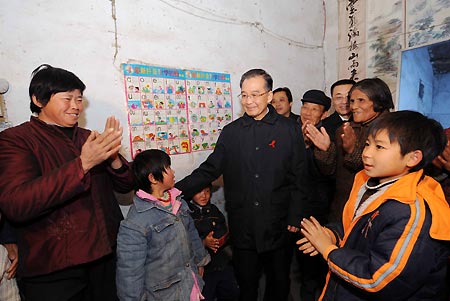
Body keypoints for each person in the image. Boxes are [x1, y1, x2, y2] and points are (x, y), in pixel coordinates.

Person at [0, 64, 134, 300]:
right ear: (38, 100)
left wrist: (113, 158)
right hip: (54, 266)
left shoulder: (88, 137)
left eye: (79, 99)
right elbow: (17, 204)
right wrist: (83, 164)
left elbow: (126, 186)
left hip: (104, 256)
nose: (76, 106)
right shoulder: (15, 140)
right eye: (67, 98)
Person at [176, 69, 308, 301]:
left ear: (269, 96)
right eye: (244, 95)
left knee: (278, 283)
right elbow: (210, 169)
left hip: (277, 223)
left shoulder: (289, 130)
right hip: (243, 223)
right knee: (245, 282)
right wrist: (175, 191)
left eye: (256, 94)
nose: (249, 101)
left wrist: (295, 218)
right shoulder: (231, 133)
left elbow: (299, 176)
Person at [298, 110, 450, 300]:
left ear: (412, 158)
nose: (366, 153)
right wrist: (332, 235)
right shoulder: (370, 182)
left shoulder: (412, 211)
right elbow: (357, 226)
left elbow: (379, 279)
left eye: (379, 147)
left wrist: (329, 250)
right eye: (368, 144)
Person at [116, 149, 210, 301]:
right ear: (153, 178)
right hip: (164, 295)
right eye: (168, 168)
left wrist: (200, 260)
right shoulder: (136, 223)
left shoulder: (178, 201)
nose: (173, 172)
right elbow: (130, 272)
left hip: (189, 285)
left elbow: (191, 233)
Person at [305, 78, 394, 223]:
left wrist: (353, 150)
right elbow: (330, 172)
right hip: (342, 207)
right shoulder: (346, 128)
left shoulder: (392, 130)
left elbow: (380, 172)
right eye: (352, 101)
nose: (353, 106)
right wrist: (325, 150)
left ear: (378, 101)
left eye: (361, 100)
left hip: (374, 210)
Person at [296, 90, 332, 301]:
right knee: (300, 260)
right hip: (295, 206)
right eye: (305, 107)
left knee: (314, 260)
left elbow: (328, 171)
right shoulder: (292, 131)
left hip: (317, 209)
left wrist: (321, 149)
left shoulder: (326, 135)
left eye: (314, 109)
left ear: (323, 114)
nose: (308, 113)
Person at [188, 183, 239, 301]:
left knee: (231, 292)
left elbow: (223, 229)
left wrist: (218, 238)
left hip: (221, 262)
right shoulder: (188, 214)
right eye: (199, 192)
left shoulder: (214, 210)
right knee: (206, 295)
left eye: (207, 191)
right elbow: (187, 239)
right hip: (203, 268)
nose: (204, 195)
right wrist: (204, 242)